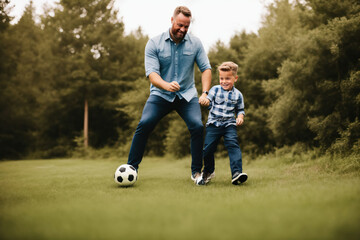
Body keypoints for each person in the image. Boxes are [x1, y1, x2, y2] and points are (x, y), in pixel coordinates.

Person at [127, 6, 212, 184]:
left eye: (186, 27)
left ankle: (197, 173)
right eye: (180, 25)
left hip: (187, 96)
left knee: (197, 126)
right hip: (160, 95)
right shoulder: (154, 43)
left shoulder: (195, 43)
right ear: (172, 20)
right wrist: (166, 85)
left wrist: (205, 92)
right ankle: (131, 168)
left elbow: (206, 69)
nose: (182, 30)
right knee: (144, 123)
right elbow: (152, 74)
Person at [197, 61, 248, 185]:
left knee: (233, 146)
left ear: (235, 78)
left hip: (229, 125)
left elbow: (240, 110)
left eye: (227, 78)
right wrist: (204, 100)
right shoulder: (214, 90)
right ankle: (208, 171)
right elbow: (208, 100)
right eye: (221, 78)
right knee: (208, 150)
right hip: (214, 124)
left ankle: (236, 174)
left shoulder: (238, 95)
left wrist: (240, 117)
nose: (224, 81)